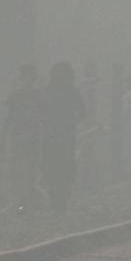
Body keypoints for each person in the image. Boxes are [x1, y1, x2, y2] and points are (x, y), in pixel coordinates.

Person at [41, 62, 85, 215]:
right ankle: (60, 200)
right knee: (63, 167)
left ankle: (57, 199)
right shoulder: (71, 91)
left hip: (53, 136)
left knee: (54, 168)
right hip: (64, 136)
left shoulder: (48, 91)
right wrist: (72, 121)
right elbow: (82, 112)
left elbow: (40, 112)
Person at [5, 64, 41, 211]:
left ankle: (25, 201)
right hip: (20, 136)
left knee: (29, 168)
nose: (30, 80)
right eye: (28, 76)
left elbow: (38, 115)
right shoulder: (15, 95)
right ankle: (19, 201)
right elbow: (13, 115)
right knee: (19, 169)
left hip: (31, 136)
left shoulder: (36, 95)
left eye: (31, 77)